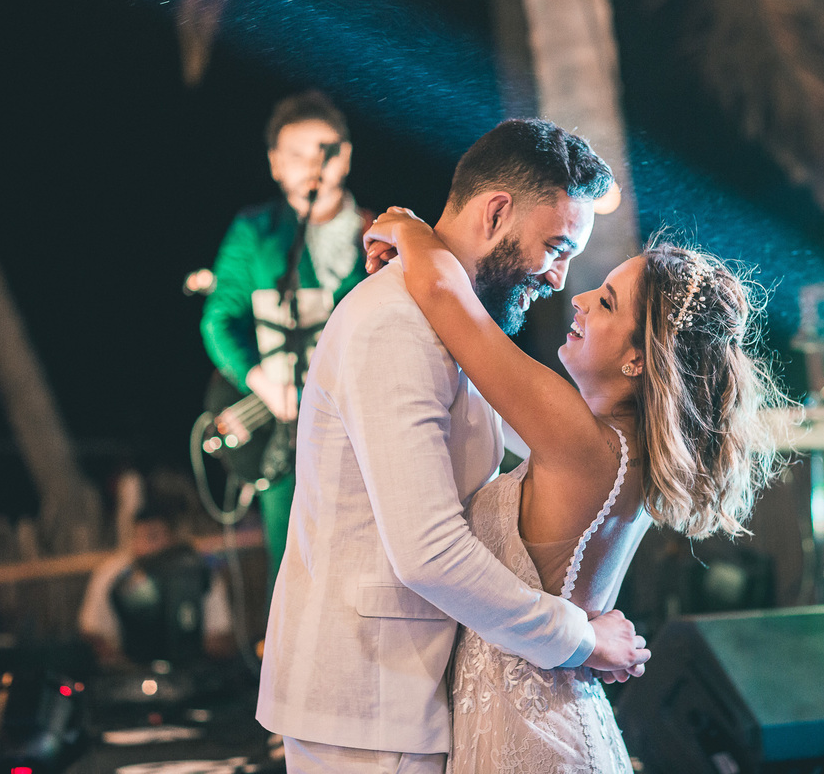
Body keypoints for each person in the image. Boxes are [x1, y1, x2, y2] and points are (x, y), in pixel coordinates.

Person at [256, 119, 650, 774]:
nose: (560, 279)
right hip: (369, 709)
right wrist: (580, 641)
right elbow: (429, 553)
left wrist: (411, 233)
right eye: (556, 246)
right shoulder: (393, 325)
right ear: (496, 212)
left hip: (418, 697)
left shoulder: (461, 321)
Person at [364, 209, 787, 771]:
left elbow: (446, 296)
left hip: (529, 737)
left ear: (638, 358)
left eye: (608, 301)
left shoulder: (581, 440)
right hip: (539, 722)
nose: (581, 297)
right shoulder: (618, 447)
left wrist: (404, 226)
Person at [200, 90, 372, 582]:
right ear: (275, 163)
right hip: (284, 427)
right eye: (296, 154)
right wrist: (260, 380)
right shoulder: (255, 231)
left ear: (346, 156)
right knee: (291, 566)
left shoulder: (380, 231)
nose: (311, 165)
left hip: (356, 424)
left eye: (325, 150)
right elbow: (218, 319)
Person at [79, 473, 233, 667]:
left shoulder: (198, 572)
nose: (144, 547)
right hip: (130, 673)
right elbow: (92, 633)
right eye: (138, 537)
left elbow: (220, 636)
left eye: (153, 537)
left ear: (172, 538)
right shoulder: (112, 575)